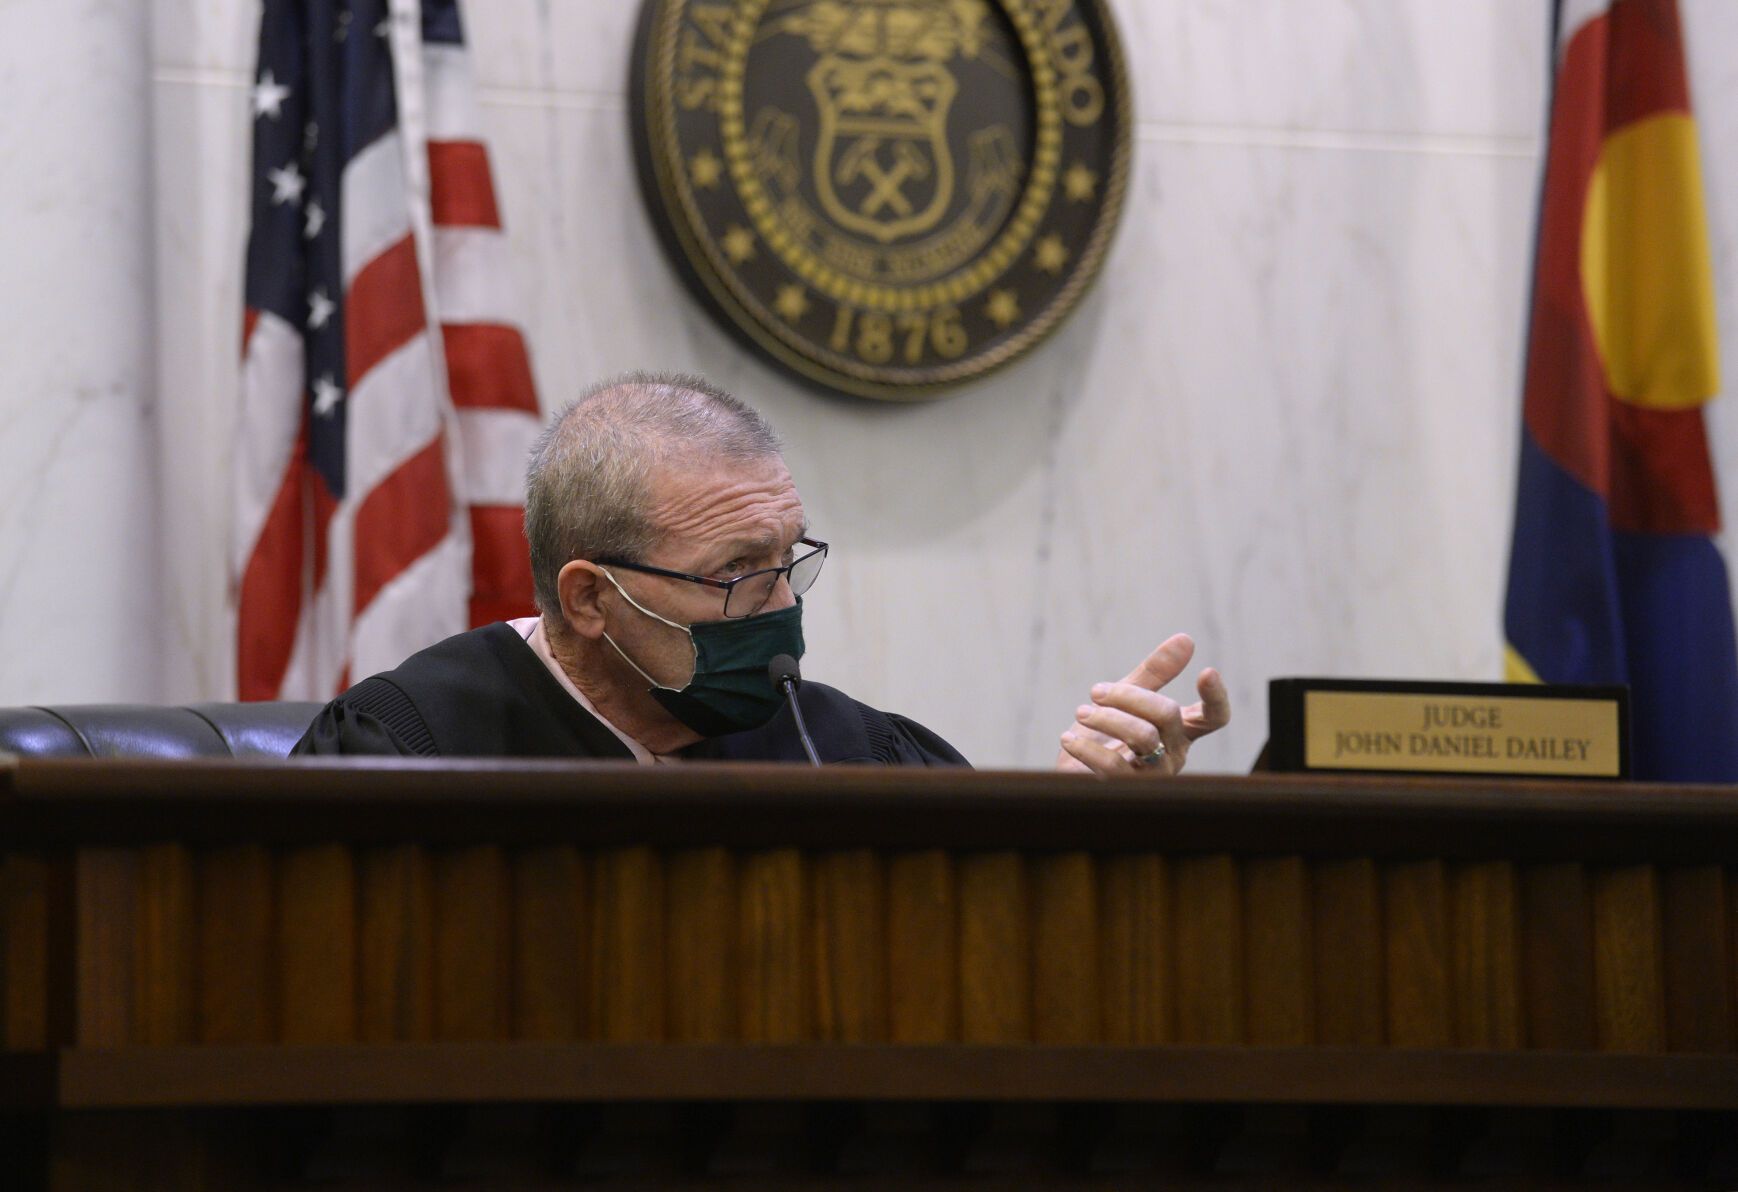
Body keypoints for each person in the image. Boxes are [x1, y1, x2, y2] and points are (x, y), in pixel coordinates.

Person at [294, 373, 1230, 770]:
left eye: (788, 560)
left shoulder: (849, 755)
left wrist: (1069, 834)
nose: (780, 606)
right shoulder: (408, 748)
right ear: (588, 597)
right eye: (737, 571)